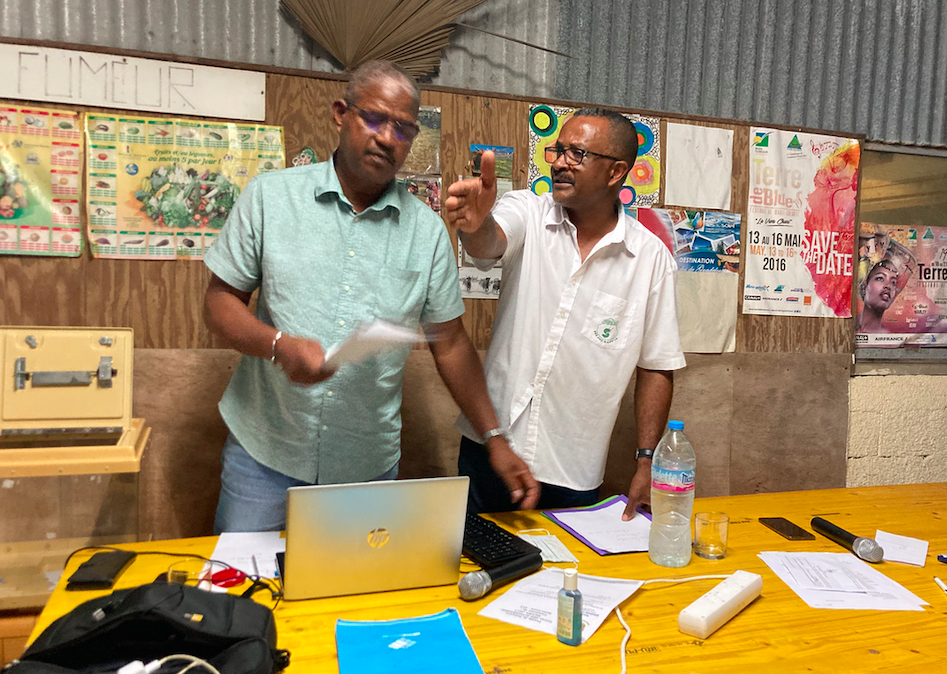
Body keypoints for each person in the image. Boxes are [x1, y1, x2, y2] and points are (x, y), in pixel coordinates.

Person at [203, 60, 538, 533]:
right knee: (241, 595)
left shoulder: (425, 231)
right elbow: (219, 304)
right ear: (341, 114)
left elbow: (452, 343)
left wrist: (494, 436)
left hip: (365, 466)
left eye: (402, 129)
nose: (386, 137)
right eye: (374, 119)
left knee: (353, 598)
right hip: (266, 451)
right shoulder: (270, 198)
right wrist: (278, 346)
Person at [445, 108, 686, 520]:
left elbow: (656, 366)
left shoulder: (650, 259)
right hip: (490, 449)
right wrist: (475, 226)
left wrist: (647, 461)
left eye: (576, 153)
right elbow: (489, 242)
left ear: (616, 172)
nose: (559, 162)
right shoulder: (528, 211)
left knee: (563, 582)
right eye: (557, 150)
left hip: (572, 470)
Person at [856, 259, 903, 333]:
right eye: (880, 278)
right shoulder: (847, 327)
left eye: (893, 282)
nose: (888, 286)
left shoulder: (891, 342)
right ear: (864, 287)